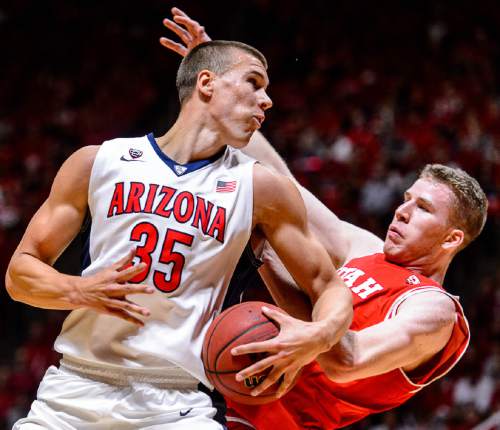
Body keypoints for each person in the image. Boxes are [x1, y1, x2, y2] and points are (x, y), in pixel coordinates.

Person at [160, 8, 488, 429]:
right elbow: (285, 185)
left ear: (450, 240)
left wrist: (271, 264)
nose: (402, 211)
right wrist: (220, 84)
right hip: (223, 404)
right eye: (406, 199)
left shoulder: (433, 311)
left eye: (422, 209)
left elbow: (345, 360)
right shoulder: (364, 248)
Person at [5, 39, 353, 429]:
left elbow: (330, 287)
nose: (267, 100)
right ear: (207, 83)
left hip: (178, 402)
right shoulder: (99, 161)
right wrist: (78, 290)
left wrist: (317, 336)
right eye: (254, 83)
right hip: (74, 390)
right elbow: (20, 272)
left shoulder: (262, 188)